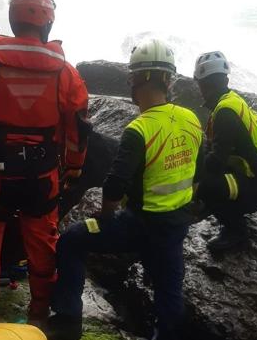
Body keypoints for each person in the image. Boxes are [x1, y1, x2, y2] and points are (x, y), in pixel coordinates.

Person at [48, 39, 204, 340]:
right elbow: (199, 173)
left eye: (132, 77)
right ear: (167, 78)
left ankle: (68, 319)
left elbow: (115, 185)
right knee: (169, 291)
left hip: (138, 224)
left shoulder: (139, 129)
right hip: (174, 227)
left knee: (71, 240)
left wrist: (106, 216)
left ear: (140, 79)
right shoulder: (191, 119)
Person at [0, 0, 90, 325]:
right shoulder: (65, 71)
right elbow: (77, 128)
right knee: (43, 246)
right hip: (43, 175)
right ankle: (39, 315)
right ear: (47, 24)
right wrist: (74, 167)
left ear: (14, 21)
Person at [193, 51, 257, 252]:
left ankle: (236, 232)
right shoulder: (232, 100)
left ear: (202, 84)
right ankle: (231, 210)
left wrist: (190, 169)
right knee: (207, 176)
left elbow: (216, 162)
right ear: (225, 79)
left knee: (206, 185)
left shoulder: (225, 113)